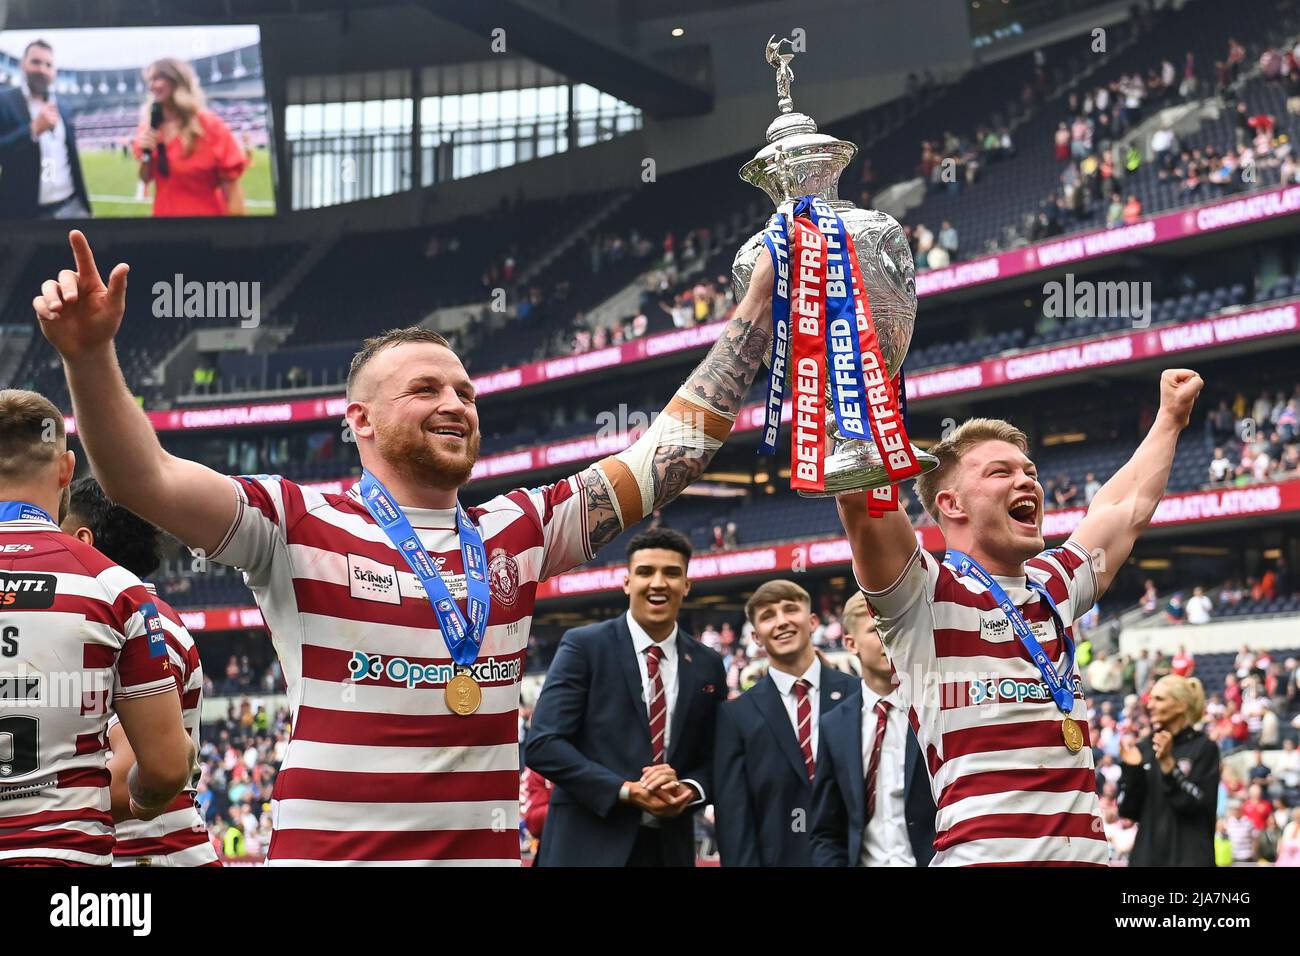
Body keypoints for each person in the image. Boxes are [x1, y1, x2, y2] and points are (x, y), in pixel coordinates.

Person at [33, 230, 774, 865]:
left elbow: (666, 455)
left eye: (466, 392)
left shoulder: (520, 527)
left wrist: (755, 314)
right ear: (359, 419)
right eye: (426, 389)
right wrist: (91, 356)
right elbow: (142, 476)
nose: (455, 403)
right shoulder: (294, 520)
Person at [837, 368, 1204, 865]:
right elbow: (864, 505)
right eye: (1000, 472)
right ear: (951, 504)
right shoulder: (923, 595)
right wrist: (855, 374)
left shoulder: (1054, 585)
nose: (1026, 480)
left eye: (1029, 471)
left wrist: (1169, 418)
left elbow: (1126, 506)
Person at [0, 390, 193, 865]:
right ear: (66, 469)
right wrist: (145, 803)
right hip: (65, 860)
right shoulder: (116, 587)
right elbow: (168, 767)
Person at [524, 529, 726, 866]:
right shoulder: (583, 646)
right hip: (586, 846)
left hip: (668, 848)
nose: (658, 583)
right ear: (627, 582)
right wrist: (626, 790)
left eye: (672, 573)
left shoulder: (708, 664)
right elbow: (543, 745)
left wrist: (690, 788)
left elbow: (717, 754)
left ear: (686, 585)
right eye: (646, 572)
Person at [59, 477, 221, 867]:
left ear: (83, 540)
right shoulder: (134, 616)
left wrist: (28, 793)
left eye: (58, 536)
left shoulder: (141, 626)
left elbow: (130, 773)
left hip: (150, 857)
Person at [712, 580, 859, 866]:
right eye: (768, 616)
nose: (781, 622)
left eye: (790, 610)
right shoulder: (735, 716)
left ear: (813, 621)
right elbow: (734, 821)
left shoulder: (858, 695)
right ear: (755, 637)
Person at [810, 593, 935, 866]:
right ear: (851, 644)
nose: (889, 636)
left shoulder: (938, 708)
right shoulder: (834, 725)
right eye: (876, 629)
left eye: (896, 625)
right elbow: (826, 830)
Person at [1116, 675, 1219, 866]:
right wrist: (1133, 771)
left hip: (1189, 859)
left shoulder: (1204, 748)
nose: (1150, 704)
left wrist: (1169, 767)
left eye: (1159, 699)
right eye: (1151, 698)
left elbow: (1198, 805)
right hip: (1147, 859)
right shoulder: (1144, 747)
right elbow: (1128, 811)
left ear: (1181, 705)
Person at [134, 58, 248, 216]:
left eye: (158, 78)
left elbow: (233, 192)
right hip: (163, 225)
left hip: (207, 226)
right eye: (150, 80)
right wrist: (146, 156)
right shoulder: (149, 128)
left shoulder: (211, 127)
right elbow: (145, 178)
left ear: (178, 80)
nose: (152, 86)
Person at [0, 39, 91, 219]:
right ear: (22, 65)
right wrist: (32, 130)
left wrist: (84, 207)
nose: (42, 69)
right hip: (25, 212)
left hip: (71, 206)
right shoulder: (5, 101)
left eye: (48, 65)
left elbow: (72, 158)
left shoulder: (64, 107)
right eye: (36, 62)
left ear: (54, 72)